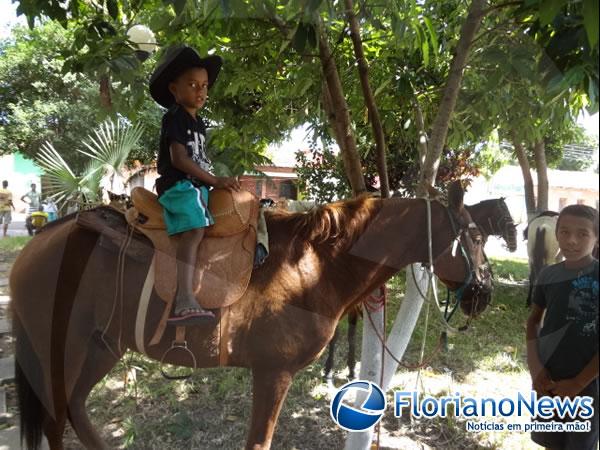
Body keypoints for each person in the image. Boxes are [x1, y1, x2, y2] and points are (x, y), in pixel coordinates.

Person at [149, 45, 240, 326]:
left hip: (195, 186)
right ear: (175, 90)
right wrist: (213, 180)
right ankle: (184, 297)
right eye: (192, 85)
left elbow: (199, 159)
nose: (200, 91)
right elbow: (179, 159)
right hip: (178, 185)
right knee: (195, 229)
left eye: (204, 86)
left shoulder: (198, 122)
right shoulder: (175, 116)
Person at [526, 204, 599, 450]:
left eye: (583, 234)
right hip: (549, 381)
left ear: (597, 238)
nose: (571, 241)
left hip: (589, 384)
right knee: (551, 443)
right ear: (556, 233)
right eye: (564, 232)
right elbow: (534, 320)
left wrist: (578, 383)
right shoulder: (547, 275)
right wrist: (536, 370)